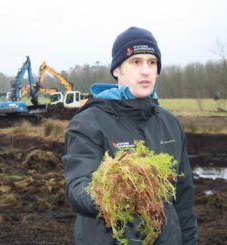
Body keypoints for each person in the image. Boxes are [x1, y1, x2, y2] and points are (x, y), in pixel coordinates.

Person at [62, 26, 198, 244]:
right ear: (117, 70)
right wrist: (117, 190)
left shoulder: (169, 123)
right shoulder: (88, 122)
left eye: (152, 62)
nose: (146, 70)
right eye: (136, 62)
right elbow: (77, 186)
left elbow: (183, 198)